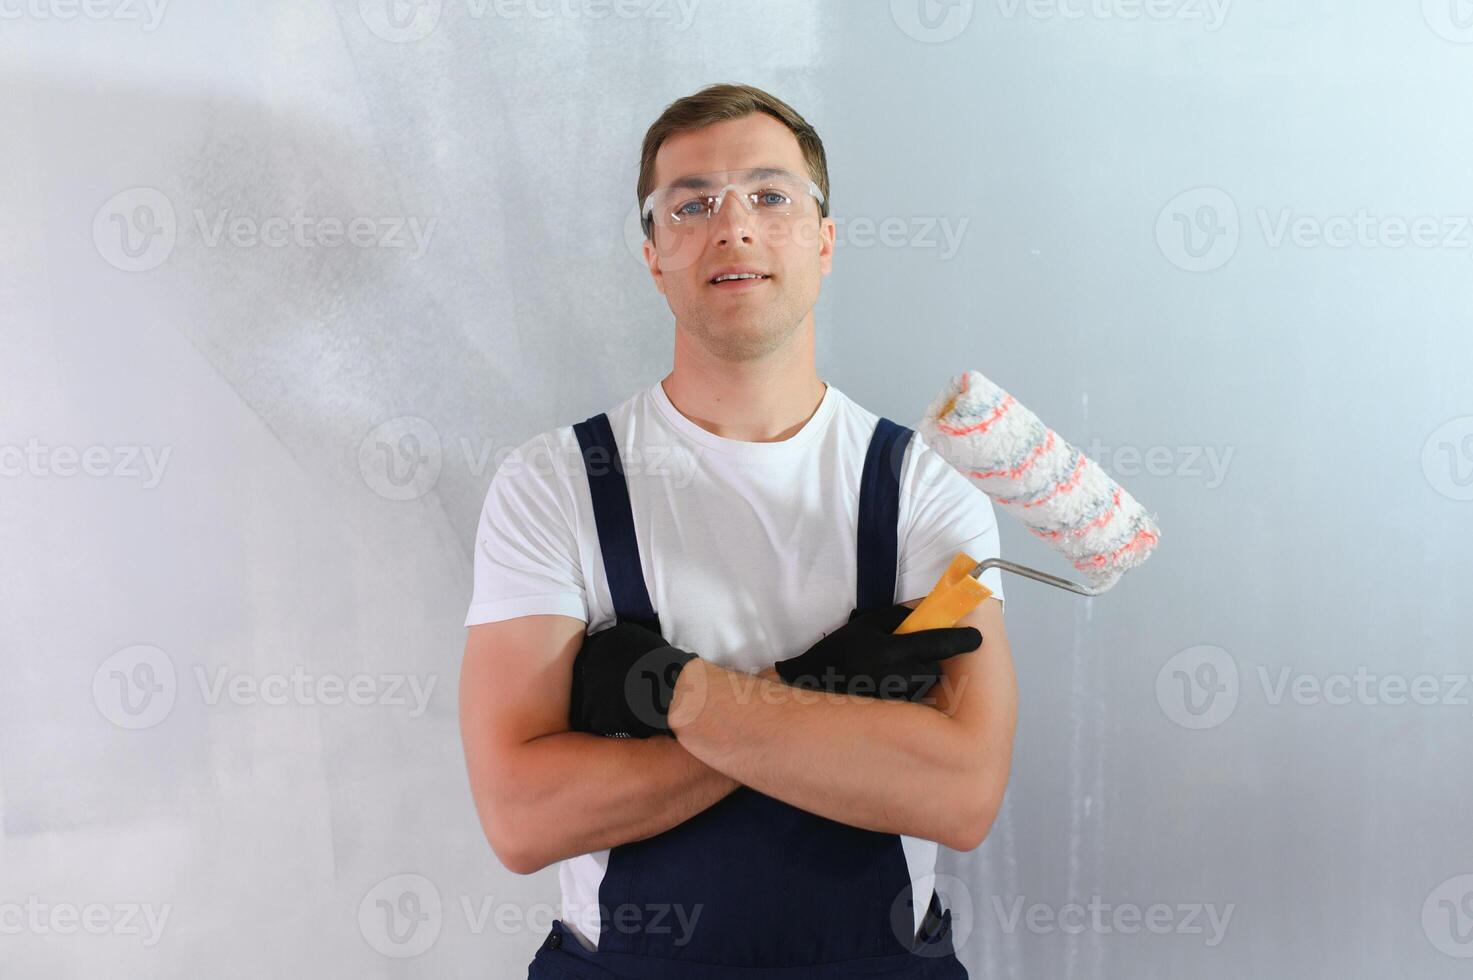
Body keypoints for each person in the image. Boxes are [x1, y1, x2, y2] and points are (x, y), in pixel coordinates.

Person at [459, 82, 1017, 979]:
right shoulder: (555, 484)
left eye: (770, 195)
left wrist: (679, 694)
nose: (733, 227)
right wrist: (829, 701)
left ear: (824, 240)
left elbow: (959, 797)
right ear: (652, 252)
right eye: (691, 204)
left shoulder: (924, 489)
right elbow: (523, 820)